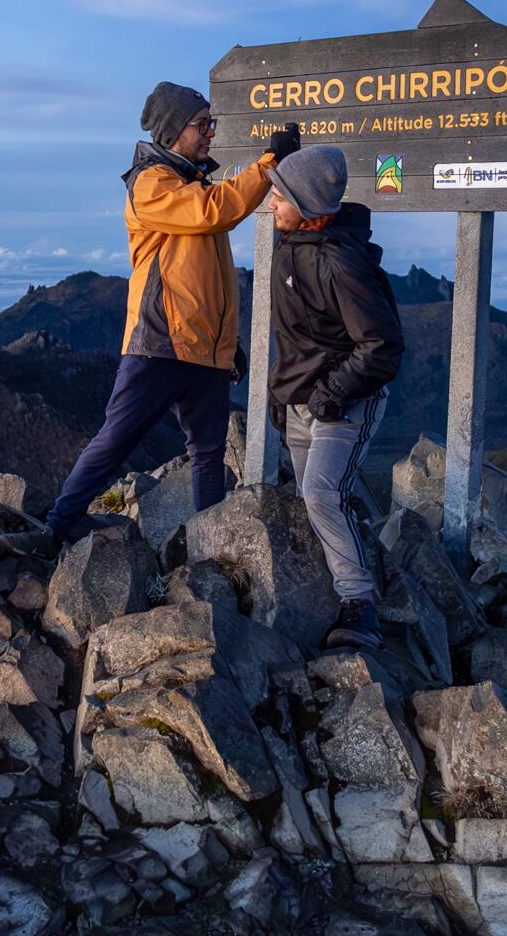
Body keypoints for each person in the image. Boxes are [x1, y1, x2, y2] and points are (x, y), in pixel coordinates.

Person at [38, 83, 299, 540]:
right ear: (174, 129)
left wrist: (228, 343)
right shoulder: (151, 183)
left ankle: (209, 544)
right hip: (158, 341)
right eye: (202, 125)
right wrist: (269, 163)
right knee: (119, 437)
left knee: (208, 452)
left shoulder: (189, 180)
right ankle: (59, 524)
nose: (210, 134)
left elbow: (207, 278)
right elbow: (214, 211)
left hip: (202, 347)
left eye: (210, 124)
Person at [261, 144, 405, 649]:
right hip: (304, 402)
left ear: (306, 205)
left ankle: (359, 605)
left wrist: (331, 392)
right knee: (317, 498)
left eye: (279, 195)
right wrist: (283, 395)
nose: (271, 203)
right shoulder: (293, 244)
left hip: (347, 402)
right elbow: (298, 339)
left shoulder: (342, 264)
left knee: (322, 493)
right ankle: (349, 579)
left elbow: (382, 347)